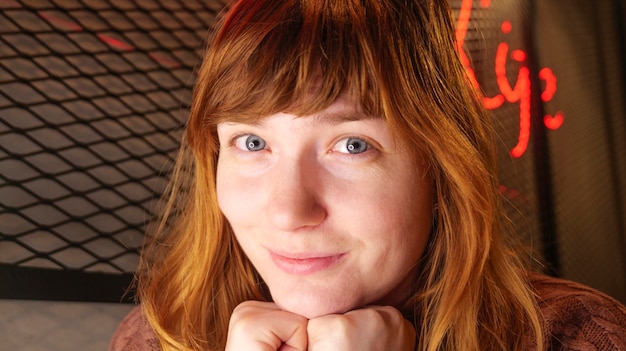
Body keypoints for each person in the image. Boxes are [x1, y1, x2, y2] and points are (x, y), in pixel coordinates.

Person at [110, 0, 626, 350]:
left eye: (352, 145)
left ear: (440, 168)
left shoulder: (576, 337)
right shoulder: (160, 335)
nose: (289, 210)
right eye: (252, 142)